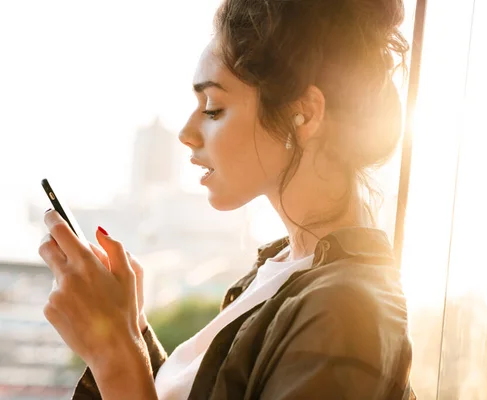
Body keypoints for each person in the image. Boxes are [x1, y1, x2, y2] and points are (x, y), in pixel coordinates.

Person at [38, 0, 416, 398]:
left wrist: (114, 351)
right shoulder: (278, 274)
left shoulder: (346, 312)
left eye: (214, 108)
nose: (186, 132)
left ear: (303, 113)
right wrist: (131, 328)